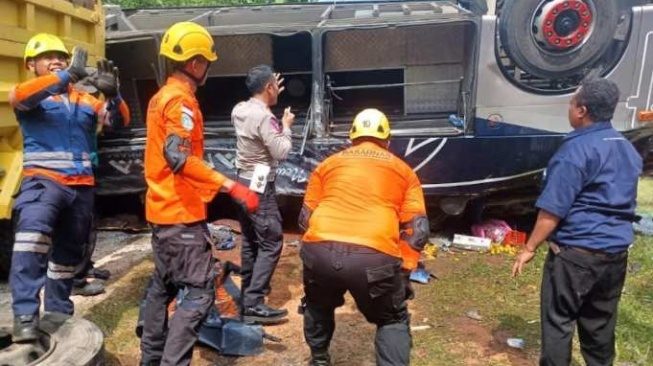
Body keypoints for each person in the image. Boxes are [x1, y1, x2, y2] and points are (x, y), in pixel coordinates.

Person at [139, 22, 259, 366]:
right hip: (179, 215)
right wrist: (231, 185)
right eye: (207, 61)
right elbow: (179, 158)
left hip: (161, 213)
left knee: (162, 288)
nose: (208, 68)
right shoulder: (181, 102)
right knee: (199, 292)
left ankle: (150, 359)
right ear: (195, 64)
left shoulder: (160, 96)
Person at [8, 33, 130, 342]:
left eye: (61, 56)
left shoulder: (83, 99)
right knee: (31, 244)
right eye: (47, 57)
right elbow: (18, 97)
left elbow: (119, 121)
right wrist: (66, 75)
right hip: (43, 184)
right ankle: (24, 314)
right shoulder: (32, 94)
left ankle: (58, 310)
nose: (57, 60)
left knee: (68, 255)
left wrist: (114, 96)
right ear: (31, 65)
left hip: (81, 189)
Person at [512, 78, 642, 366]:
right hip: (614, 255)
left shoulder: (575, 151)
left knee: (559, 323)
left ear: (581, 111)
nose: (568, 108)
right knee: (599, 327)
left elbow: (552, 211)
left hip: (576, 257)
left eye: (571, 103)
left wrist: (530, 247)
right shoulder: (626, 148)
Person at [298, 108, 429, 366]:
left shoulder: (327, 165)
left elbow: (305, 218)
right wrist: (403, 272)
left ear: (352, 138)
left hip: (320, 249)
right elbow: (418, 230)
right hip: (374, 256)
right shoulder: (404, 171)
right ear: (387, 141)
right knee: (392, 319)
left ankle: (319, 359)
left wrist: (317, 255)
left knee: (318, 304)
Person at [231, 64, 295, 324]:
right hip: (259, 185)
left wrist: (269, 101)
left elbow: (257, 134)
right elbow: (281, 151)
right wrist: (286, 125)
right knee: (271, 241)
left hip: (242, 180)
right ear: (268, 88)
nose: (277, 89)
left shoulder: (239, 109)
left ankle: (248, 292)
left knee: (249, 239)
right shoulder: (265, 117)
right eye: (274, 86)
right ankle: (255, 303)